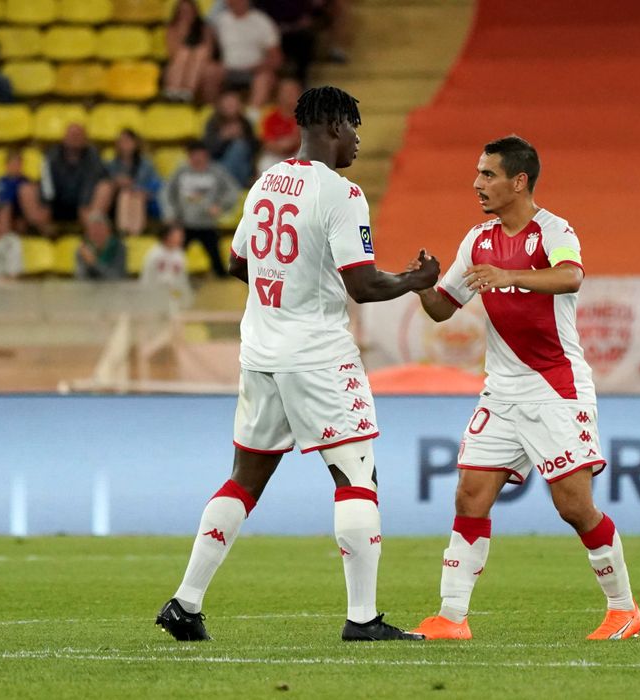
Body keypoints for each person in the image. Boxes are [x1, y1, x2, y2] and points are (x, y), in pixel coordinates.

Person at [155, 85, 440, 643]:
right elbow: (363, 285)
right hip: (318, 356)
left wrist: (287, 287)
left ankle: (185, 602)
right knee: (357, 476)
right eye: (353, 127)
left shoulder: (265, 182)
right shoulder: (342, 193)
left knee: (244, 480)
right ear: (333, 125)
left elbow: (238, 262)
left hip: (260, 352)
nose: (358, 140)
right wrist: (414, 280)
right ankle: (363, 619)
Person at [409, 136, 640, 641]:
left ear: (519, 181)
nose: (477, 184)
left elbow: (571, 277)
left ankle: (624, 610)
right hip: (501, 391)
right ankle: (451, 617)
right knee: (470, 496)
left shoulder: (554, 230)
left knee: (573, 506)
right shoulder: (477, 240)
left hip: (555, 388)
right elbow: (444, 308)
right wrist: (422, 284)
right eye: (478, 173)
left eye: (488, 174)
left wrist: (508, 275)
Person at [160, 139, 239, 277]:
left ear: (206, 156)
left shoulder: (217, 171)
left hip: (207, 224)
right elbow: (166, 192)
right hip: (183, 223)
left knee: (218, 264)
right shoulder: (180, 171)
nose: (197, 160)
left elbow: (233, 191)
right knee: (174, 261)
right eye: (194, 156)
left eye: (200, 156)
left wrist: (221, 206)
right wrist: (170, 213)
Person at [203, 0, 281, 108]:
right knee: (210, 71)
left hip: (254, 70)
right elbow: (208, 39)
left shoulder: (262, 21)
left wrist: (259, 67)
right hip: (227, 69)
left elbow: (276, 57)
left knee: (264, 78)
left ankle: (253, 113)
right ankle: (212, 110)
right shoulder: (220, 21)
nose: (235, 2)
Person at [92, 129, 162, 237]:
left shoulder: (146, 165)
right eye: (121, 141)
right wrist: (116, 182)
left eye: (127, 141)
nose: (124, 145)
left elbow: (156, 186)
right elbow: (103, 184)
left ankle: (132, 235)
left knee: (131, 195)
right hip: (114, 203)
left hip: (139, 200)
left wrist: (134, 187)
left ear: (135, 143)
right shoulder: (111, 164)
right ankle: (98, 224)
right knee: (122, 194)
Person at [39, 124, 108, 228]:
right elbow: (46, 183)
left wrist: (83, 205)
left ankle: (93, 228)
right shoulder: (52, 155)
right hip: (57, 201)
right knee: (27, 190)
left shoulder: (93, 156)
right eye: (72, 135)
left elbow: (91, 183)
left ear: (85, 140)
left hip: (84, 202)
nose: (75, 138)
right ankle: (40, 230)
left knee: (105, 186)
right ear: (64, 138)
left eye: (78, 135)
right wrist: (48, 204)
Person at [163, 0, 217, 102]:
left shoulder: (205, 28)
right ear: (177, 13)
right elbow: (172, 53)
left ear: (195, 12)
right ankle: (174, 89)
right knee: (184, 53)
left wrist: (193, 56)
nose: (186, 14)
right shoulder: (172, 28)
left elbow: (209, 52)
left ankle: (188, 91)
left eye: (189, 11)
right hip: (178, 63)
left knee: (201, 52)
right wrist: (182, 30)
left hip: (200, 63)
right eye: (183, 11)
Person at [202, 89, 257, 188]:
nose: (231, 106)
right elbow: (207, 150)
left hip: (242, 168)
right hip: (218, 165)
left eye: (234, 103)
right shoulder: (213, 122)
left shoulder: (245, 123)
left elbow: (254, 150)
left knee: (240, 146)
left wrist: (243, 137)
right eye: (228, 103)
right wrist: (223, 138)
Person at [0, 149, 53, 236]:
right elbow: (4, 203)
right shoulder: (2, 182)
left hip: (24, 213)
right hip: (9, 213)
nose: (16, 166)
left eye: (18, 163)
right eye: (13, 163)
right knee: (5, 209)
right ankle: (5, 235)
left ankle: (44, 229)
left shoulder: (26, 181)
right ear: (7, 165)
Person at [255, 77, 302, 173]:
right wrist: (281, 147)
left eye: (294, 91)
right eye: (287, 92)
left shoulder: (308, 115)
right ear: (279, 94)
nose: (290, 95)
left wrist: (293, 142)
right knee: (265, 164)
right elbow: (265, 142)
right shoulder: (268, 115)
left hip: (298, 154)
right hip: (274, 155)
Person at [140, 225, 192, 306]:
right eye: (178, 236)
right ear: (167, 237)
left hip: (173, 297)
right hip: (154, 296)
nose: (182, 239)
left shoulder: (180, 255)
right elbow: (147, 278)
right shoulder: (154, 254)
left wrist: (183, 297)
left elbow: (182, 280)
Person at [75, 212, 126, 280]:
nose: (97, 233)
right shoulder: (84, 249)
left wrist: (94, 263)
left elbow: (116, 277)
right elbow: (81, 278)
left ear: (108, 231)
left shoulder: (119, 247)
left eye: (100, 229)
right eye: (93, 230)